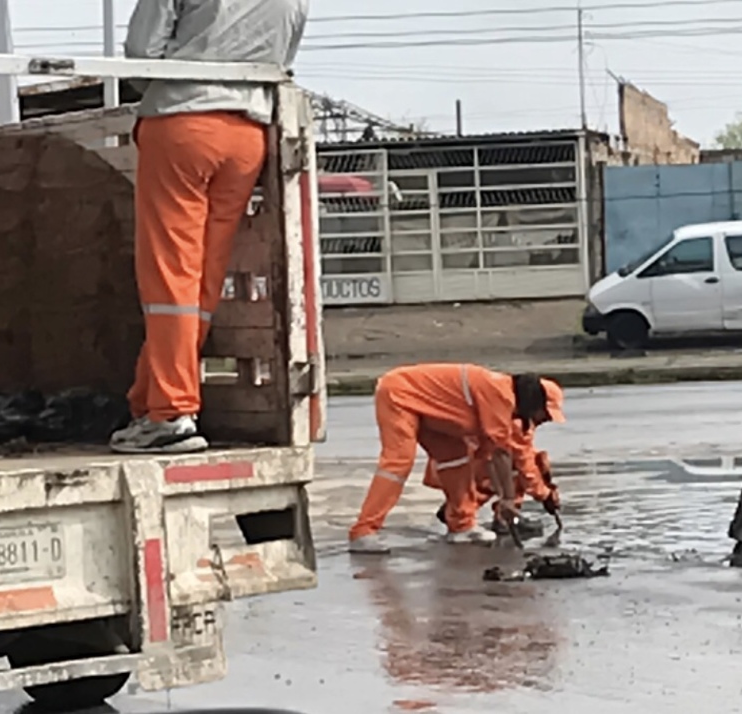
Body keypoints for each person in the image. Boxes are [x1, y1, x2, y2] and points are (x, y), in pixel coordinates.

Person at [110, 0, 309, 454]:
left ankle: (170, 412)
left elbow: (141, 52)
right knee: (203, 278)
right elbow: (283, 59)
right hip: (248, 135)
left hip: (182, 123)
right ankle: (150, 401)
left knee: (169, 276)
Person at [348, 364, 565, 554]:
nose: (545, 420)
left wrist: (506, 498)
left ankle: (462, 526)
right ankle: (364, 531)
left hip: (431, 409)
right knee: (399, 460)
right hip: (400, 393)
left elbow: (492, 455)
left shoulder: (508, 405)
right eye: (545, 414)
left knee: (456, 457)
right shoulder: (500, 395)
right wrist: (507, 499)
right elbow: (501, 453)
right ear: (534, 402)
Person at [424, 427, 560, 539]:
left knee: (495, 472)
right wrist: (545, 494)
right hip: (473, 463)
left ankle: (457, 508)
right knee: (520, 467)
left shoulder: (511, 417)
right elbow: (527, 468)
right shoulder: (519, 426)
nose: (547, 419)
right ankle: (505, 519)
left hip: (457, 461)